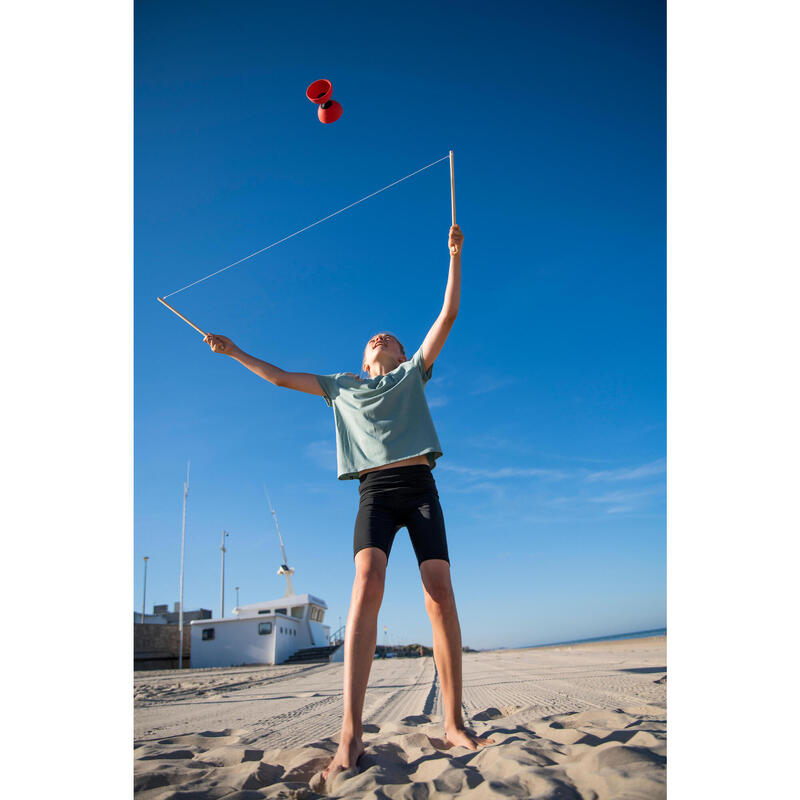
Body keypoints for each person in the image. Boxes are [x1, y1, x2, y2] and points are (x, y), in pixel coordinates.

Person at [203, 223, 493, 784]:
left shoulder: (413, 374)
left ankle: (454, 722)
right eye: (373, 339)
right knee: (367, 581)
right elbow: (280, 378)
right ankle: (351, 732)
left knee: (439, 592)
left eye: (392, 337)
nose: (382, 336)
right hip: (375, 493)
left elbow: (448, 315)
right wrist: (233, 349)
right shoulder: (343, 386)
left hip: (420, 489)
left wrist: (454, 256)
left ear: (409, 356)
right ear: (363, 363)